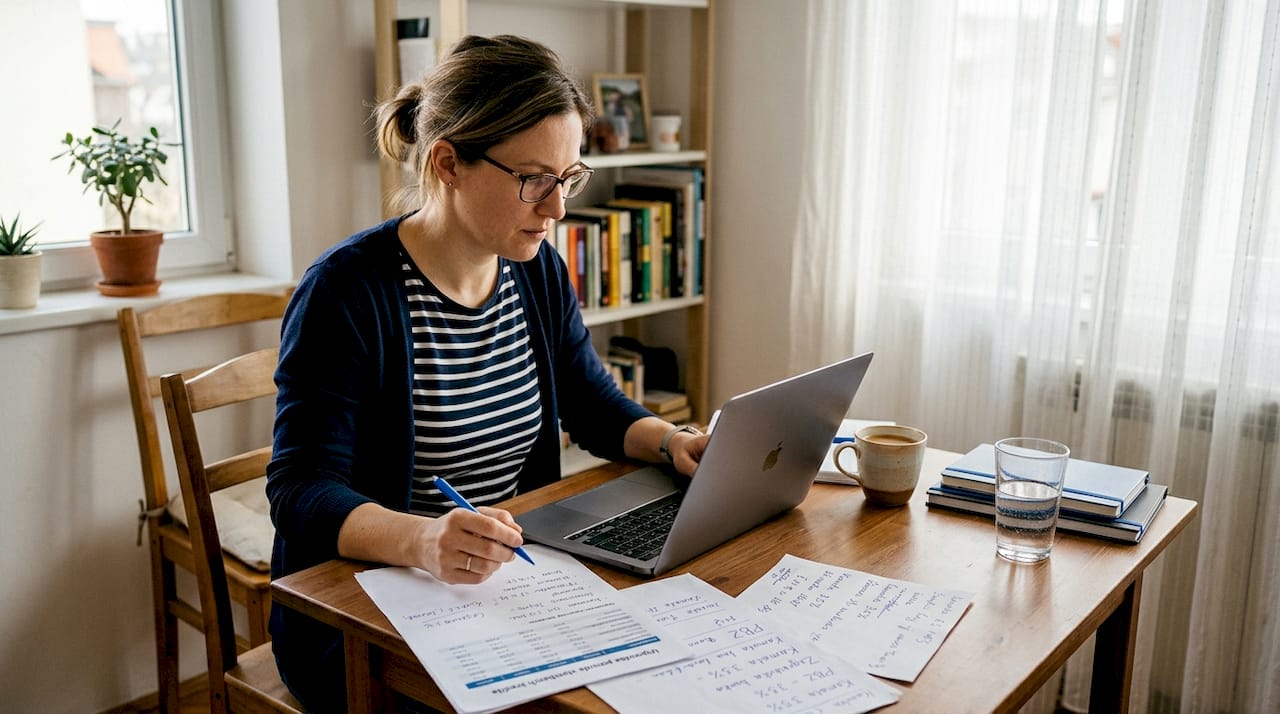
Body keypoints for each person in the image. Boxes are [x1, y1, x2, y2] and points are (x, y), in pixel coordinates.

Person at [266, 34, 709, 711]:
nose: (557, 209)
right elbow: (298, 491)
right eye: (535, 180)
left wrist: (668, 440)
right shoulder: (347, 292)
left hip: (504, 588)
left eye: (568, 179)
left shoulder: (535, 272)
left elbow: (589, 400)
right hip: (361, 613)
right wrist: (421, 539)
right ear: (448, 163)